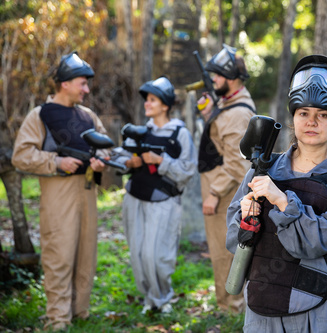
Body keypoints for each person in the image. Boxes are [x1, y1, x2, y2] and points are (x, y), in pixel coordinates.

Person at [226, 54, 327, 332]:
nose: (312, 122)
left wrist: (281, 200)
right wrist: (247, 222)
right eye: (304, 113)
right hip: (263, 311)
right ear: (293, 118)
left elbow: (313, 245)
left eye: (323, 115)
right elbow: (232, 239)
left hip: (322, 315)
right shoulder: (262, 170)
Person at [12, 52, 108, 331]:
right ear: (65, 83)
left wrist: (103, 159)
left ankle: (80, 312)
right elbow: (20, 155)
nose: (87, 90)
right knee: (59, 253)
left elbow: (106, 146)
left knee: (86, 253)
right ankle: (58, 319)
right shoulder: (40, 115)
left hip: (88, 190)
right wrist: (56, 161)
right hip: (57, 192)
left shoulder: (88, 115)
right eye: (82, 83)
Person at [111, 76, 197, 314]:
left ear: (165, 105)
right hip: (135, 198)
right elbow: (118, 158)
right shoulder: (140, 131)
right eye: (146, 100)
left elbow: (188, 171)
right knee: (138, 254)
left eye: (152, 100)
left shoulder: (179, 133)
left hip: (164, 201)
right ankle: (149, 299)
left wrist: (160, 161)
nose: (147, 104)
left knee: (156, 255)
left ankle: (163, 298)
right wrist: (130, 161)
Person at [197, 44, 256, 313]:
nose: (213, 81)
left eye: (217, 76)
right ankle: (227, 304)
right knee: (220, 249)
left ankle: (232, 308)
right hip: (220, 186)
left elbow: (236, 163)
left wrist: (214, 192)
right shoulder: (229, 104)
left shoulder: (237, 113)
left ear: (231, 77)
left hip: (224, 189)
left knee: (224, 251)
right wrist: (210, 114)